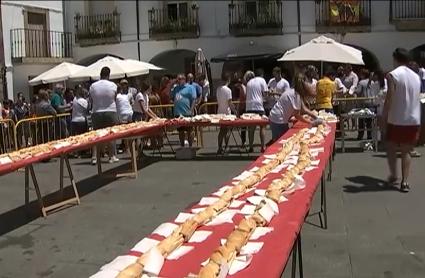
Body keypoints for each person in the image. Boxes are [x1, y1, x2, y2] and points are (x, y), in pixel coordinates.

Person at [383, 48, 421, 192]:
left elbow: (389, 99)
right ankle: (404, 181)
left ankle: (394, 175)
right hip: (413, 118)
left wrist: (383, 116)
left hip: (397, 118)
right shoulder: (416, 76)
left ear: (395, 59)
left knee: (391, 147)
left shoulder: (393, 75)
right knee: (406, 151)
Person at [269, 73, 321, 142]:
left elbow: (303, 108)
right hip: (278, 119)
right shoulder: (296, 95)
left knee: (283, 138)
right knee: (280, 141)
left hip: (278, 117)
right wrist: (311, 122)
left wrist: (315, 116)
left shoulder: (294, 92)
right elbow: (297, 115)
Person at [89, 66, 119, 164]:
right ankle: (111, 156)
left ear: (100, 74)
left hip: (96, 111)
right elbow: (115, 98)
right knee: (111, 134)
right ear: (108, 75)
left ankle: (94, 157)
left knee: (96, 135)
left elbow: (91, 100)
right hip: (110, 110)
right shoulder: (113, 85)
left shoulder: (93, 86)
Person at [171, 74, 197, 147]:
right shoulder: (176, 88)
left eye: (180, 79)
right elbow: (171, 96)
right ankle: (182, 146)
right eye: (177, 79)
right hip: (178, 113)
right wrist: (171, 84)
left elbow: (194, 99)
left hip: (187, 112)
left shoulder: (190, 88)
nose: (178, 81)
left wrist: (191, 110)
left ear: (184, 79)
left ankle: (190, 146)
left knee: (189, 130)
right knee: (181, 131)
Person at [245, 70, 267, 152]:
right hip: (258, 106)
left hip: (249, 106)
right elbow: (265, 93)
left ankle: (250, 146)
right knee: (262, 126)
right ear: (261, 74)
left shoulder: (249, 82)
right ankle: (263, 146)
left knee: (251, 128)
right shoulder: (262, 80)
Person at [216, 73, 236, 154]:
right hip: (227, 113)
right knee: (227, 131)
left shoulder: (218, 89)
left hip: (220, 111)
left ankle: (220, 147)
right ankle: (226, 147)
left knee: (221, 131)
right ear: (229, 80)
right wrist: (235, 110)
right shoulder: (228, 90)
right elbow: (230, 103)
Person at [370, 70, 388, 142]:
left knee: (387, 124)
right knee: (381, 125)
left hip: (387, 106)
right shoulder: (375, 84)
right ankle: (383, 140)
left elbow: (386, 92)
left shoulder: (387, 82)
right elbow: (375, 97)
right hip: (380, 106)